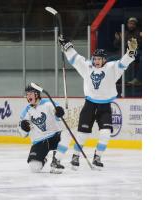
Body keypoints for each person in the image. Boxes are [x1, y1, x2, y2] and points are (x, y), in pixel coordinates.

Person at [59, 37, 137, 170]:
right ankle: (76, 155)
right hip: (89, 105)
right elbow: (76, 59)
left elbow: (123, 63)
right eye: (94, 58)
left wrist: (130, 52)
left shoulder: (112, 68)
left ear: (104, 60)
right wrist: (67, 46)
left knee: (106, 133)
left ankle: (97, 157)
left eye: (99, 59)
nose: (96, 61)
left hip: (105, 107)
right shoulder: (87, 67)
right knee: (82, 134)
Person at [19, 84, 70, 174]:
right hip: (39, 140)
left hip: (54, 136)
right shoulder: (25, 112)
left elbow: (60, 114)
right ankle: (43, 159)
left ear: (37, 94)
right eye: (27, 94)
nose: (28, 96)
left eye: (30, 94)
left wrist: (60, 112)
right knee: (34, 168)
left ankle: (56, 160)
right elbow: (22, 134)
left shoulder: (48, 104)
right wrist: (24, 128)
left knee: (66, 134)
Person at [114, 17, 142, 85]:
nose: (131, 25)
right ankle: (112, 79)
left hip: (134, 53)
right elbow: (116, 45)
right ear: (127, 24)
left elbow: (138, 46)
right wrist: (118, 39)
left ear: (135, 25)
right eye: (130, 23)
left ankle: (137, 79)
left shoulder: (139, 33)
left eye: (133, 24)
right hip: (122, 53)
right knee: (109, 59)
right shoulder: (124, 33)